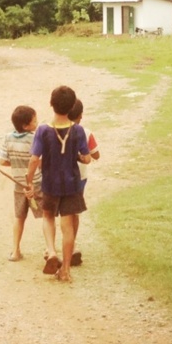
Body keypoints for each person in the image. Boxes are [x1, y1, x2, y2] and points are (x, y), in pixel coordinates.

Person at [26, 85, 92, 283]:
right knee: (68, 226)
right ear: (72, 106)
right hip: (71, 184)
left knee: (48, 217)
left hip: (50, 184)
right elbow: (87, 159)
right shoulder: (78, 130)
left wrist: (29, 180)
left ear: (51, 104)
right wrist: (79, 157)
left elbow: (34, 159)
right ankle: (65, 270)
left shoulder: (43, 130)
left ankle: (52, 252)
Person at [0, 105, 42, 262]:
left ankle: (15, 251)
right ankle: (47, 250)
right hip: (35, 182)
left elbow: (2, 161)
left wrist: (17, 164)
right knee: (46, 216)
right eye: (35, 120)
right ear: (26, 125)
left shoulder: (7, 137)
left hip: (18, 184)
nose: (37, 123)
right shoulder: (35, 138)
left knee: (19, 217)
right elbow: (40, 161)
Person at [65, 97, 100, 267]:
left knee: (60, 213)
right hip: (79, 178)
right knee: (74, 213)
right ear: (81, 115)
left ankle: (55, 247)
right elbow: (96, 155)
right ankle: (72, 246)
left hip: (59, 176)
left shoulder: (55, 130)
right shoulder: (86, 132)